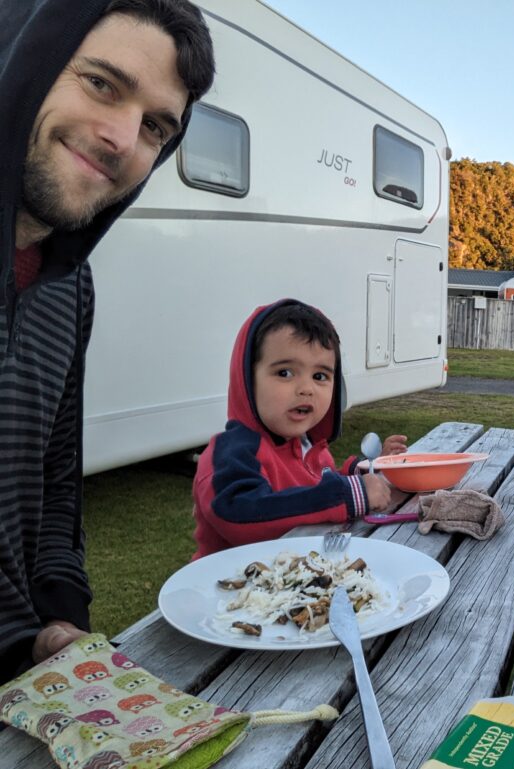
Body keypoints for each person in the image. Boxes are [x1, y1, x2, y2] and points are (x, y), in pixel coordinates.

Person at [0, 0, 215, 683]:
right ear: (27, 62)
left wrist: (61, 623)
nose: (123, 139)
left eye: (155, 127)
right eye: (101, 83)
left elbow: (56, 482)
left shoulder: (69, 284)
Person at [191, 300, 408, 559]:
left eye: (320, 376)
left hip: (297, 575)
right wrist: (348, 495)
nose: (306, 389)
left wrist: (362, 470)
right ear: (247, 379)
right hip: (231, 580)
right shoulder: (232, 452)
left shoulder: (311, 447)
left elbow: (314, 489)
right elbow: (239, 513)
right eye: (285, 373)